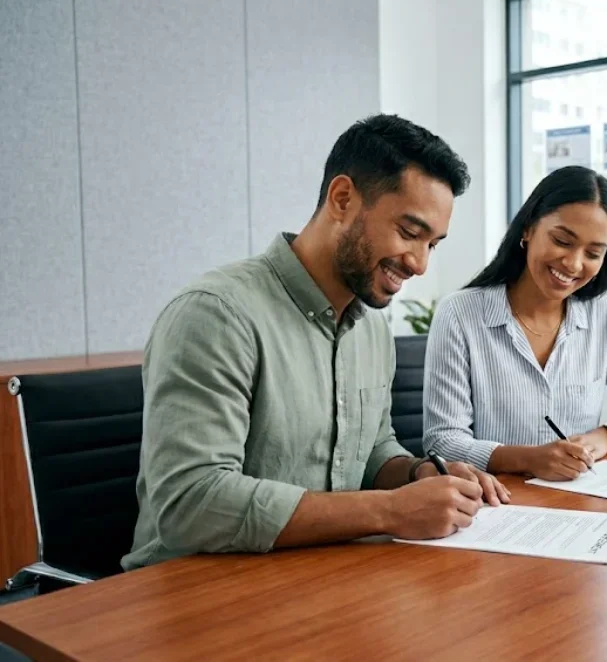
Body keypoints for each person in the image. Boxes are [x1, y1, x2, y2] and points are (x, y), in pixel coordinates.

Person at [123, 114, 509, 571]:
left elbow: (372, 449)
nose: (420, 264)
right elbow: (190, 503)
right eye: (409, 233)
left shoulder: (370, 329)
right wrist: (390, 511)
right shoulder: (215, 314)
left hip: (313, 576)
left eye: (433, 244)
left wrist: (419, 474)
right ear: (342, 198)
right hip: (192, 592)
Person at [422, 166, 607, 480]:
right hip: (495, 505)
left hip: (577, 503)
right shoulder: (460, 314)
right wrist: (529, 459)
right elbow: (443, 442)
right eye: (562, 241)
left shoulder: (603, 313)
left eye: (593, 253)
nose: (573, 264)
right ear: (527, 230)